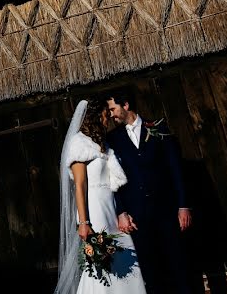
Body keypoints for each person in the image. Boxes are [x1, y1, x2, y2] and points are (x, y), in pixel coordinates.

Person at [55, 99, 146, 294]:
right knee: (104, 266)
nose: (108, 120)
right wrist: (84, 222)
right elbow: (79, 185)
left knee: (126, 259)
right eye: (105, 116)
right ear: (95, 117)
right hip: (94, 210)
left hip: (111, 208)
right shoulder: (79, 143)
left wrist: (122, 212)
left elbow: (114, 183)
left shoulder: (102, 144)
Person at [106, 92, 192, 294]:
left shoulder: (158, 129)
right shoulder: (112, 139)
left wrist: (183, 205)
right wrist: (121, 211)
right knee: (151, 271)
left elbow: (175, 169)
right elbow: (112, 179)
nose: (111, 115)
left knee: (179, 265)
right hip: (137, 216)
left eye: (113, 109)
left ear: (126, 104)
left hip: (167, 210)